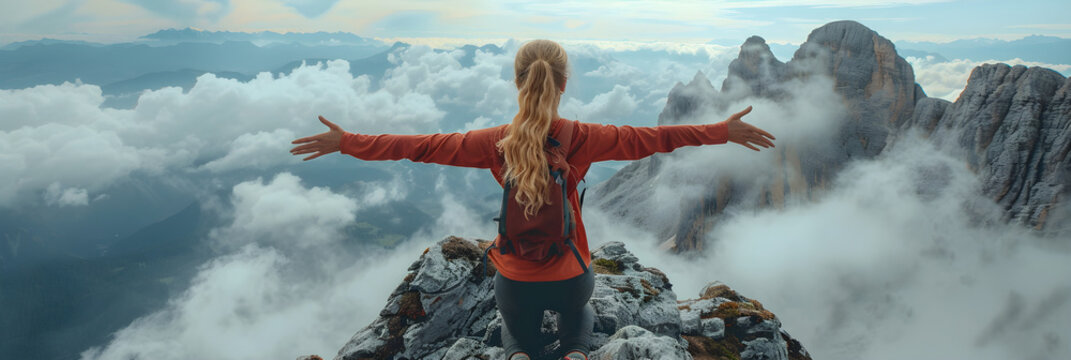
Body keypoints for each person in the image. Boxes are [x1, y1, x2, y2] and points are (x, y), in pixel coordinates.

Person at [290, 39, 775, 360]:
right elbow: (653, 138)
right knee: (580, 312)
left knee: (515, 330)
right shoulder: (585, 137)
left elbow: (421, 146)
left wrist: (349, 141)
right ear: (563, 84)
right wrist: (720, 131)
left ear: (518, 82)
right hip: (572, 276)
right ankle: (578, 352)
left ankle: (520, 353)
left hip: (515, 280)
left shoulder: (493, 141)